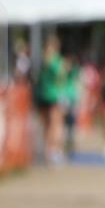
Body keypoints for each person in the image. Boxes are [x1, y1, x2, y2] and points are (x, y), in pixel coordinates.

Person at [35, 35, 68, 165]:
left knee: (48, 125)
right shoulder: (57, 62)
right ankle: (53, 151)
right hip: (53, 96)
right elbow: (61, 79)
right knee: (55, 125)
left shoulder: (44, 62)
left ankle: (48, 152)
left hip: (44, 96)